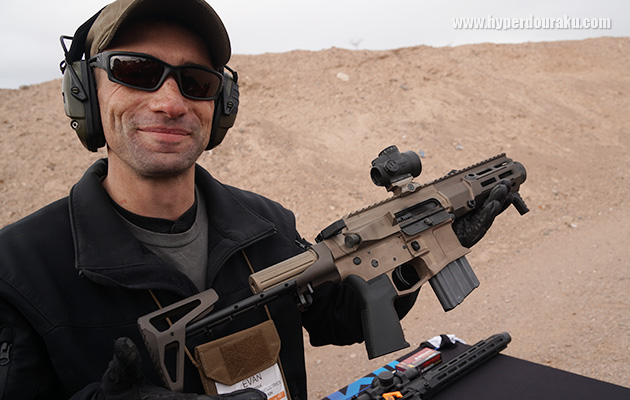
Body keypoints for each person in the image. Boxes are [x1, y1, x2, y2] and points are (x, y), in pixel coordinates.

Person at [0, 0, 513, 399]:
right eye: (135, 71)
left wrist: (415, 255)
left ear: (221, 105)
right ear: (83, 91)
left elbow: (336, 317)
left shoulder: (265, 222)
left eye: (196, 81)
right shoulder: (18, 269)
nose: (171, 102)